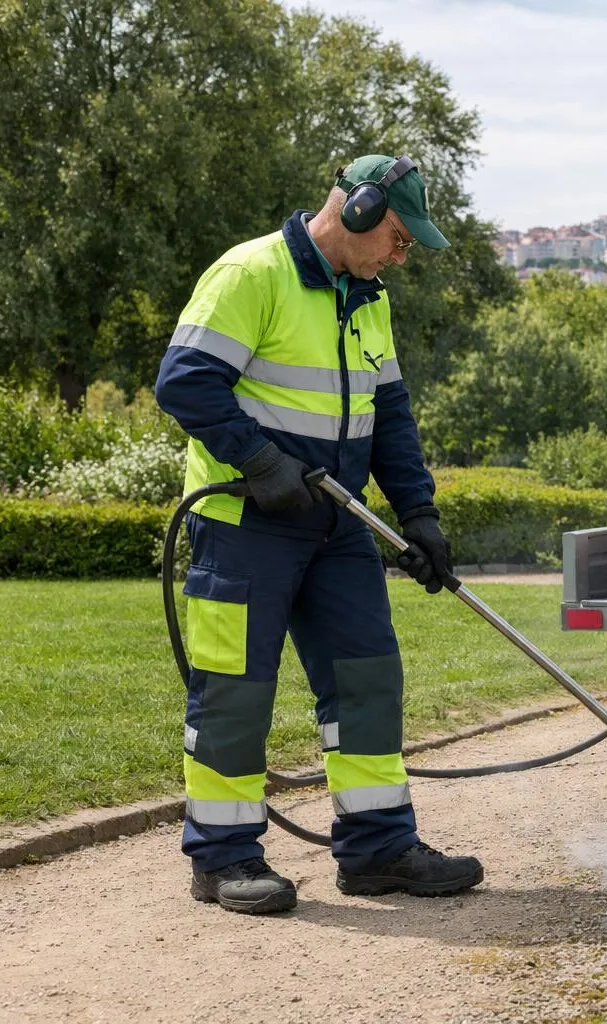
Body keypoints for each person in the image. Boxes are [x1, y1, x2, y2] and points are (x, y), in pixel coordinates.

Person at [154, 154, 482, 914]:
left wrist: (420, 513)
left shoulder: (369, 301)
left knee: (368, 680)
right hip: (246, 524)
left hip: (337, 526)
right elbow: (185, 381)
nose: (402, 257)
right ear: (357, 211)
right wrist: (260, 461)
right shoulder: (251, 274)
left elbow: (389, 416)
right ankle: (223, 859)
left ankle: (378, 849)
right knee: (235, 692)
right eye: (400, 239)